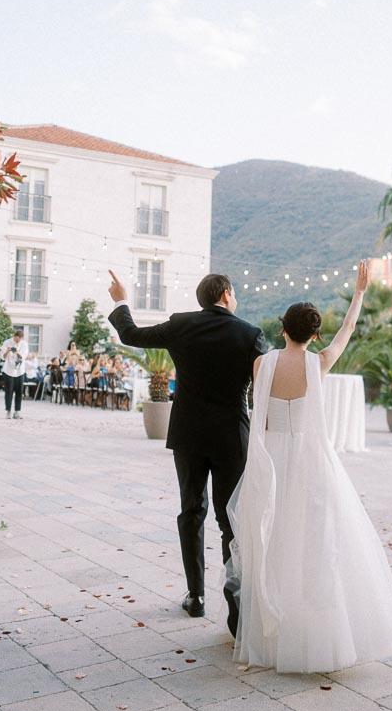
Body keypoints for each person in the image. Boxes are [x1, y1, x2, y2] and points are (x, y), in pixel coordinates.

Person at [227, 259, 392, 672]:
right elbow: (346, 333)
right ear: (314, 334)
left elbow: (261, 412)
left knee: (273, 542)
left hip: (272, 457)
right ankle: (314, 636)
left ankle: (274, 632)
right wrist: (358, 294)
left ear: (282, 328)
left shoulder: (263, 363)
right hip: (310, 459)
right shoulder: (320, 362)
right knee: (315, 546)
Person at [108, 269, 273, 634]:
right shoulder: (250, 334)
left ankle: (195, 596)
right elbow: (265, 386)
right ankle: (236, 610)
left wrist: (121, 298)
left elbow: (131, 334)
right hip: (232, 438)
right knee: (231, 519)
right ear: (227, 294)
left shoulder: (181, 326)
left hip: (189, 435)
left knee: (191, 510)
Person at [0, 330, 27, 419]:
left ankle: (17, 411)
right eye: (16, 339)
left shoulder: (24, 344)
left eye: (19, 340)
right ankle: (8, 411)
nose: (17, 341)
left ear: (21, 338)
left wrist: (17, 352)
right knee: (9, 391)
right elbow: (3, 357)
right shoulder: (7, 342)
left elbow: (24, 356)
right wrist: (7, 351)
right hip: (9, 370)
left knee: (19, 392)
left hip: (19, 371)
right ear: (14, 336)